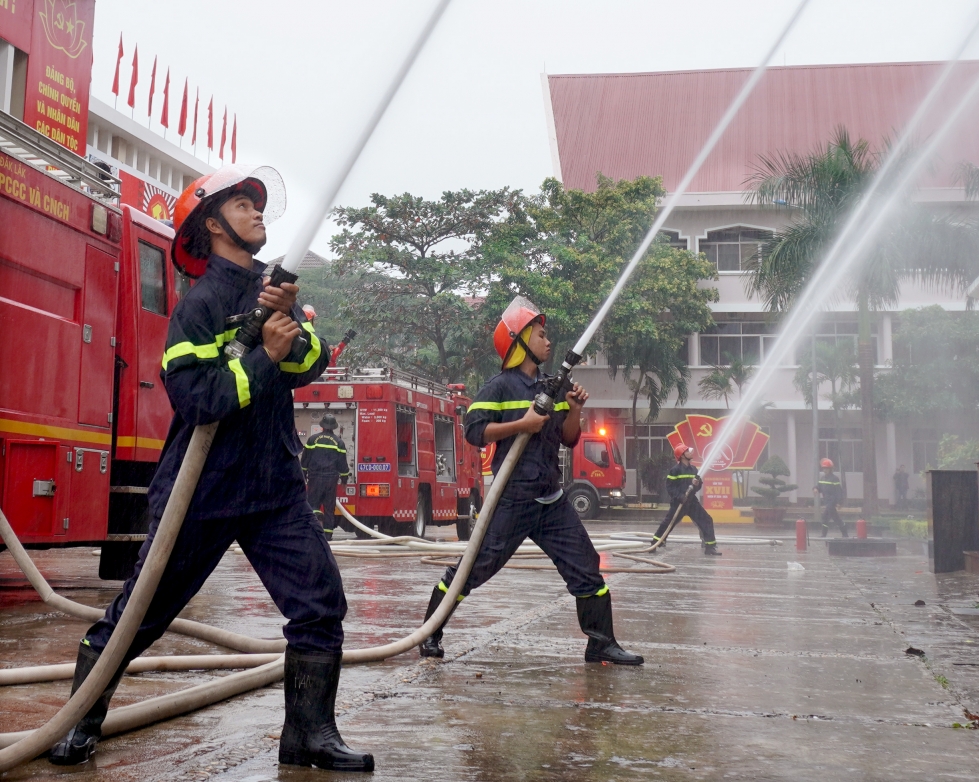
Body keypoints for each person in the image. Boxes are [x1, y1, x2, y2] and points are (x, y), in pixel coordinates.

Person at [48, 165, 373, 773]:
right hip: (201, 490)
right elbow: (199, 401)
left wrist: (290, 322)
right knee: (138, 617)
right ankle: (79, 722)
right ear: (212, 223)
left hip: (272, 487)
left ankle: (308, 736)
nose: (257, 213)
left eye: (257, 204)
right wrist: (264, 354)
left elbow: (308, 367)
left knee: (320, 603)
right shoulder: (197, 308)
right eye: (243, 205)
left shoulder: (274, 295)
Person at [417, 297, 643, 666]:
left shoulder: (554, 386)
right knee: (474, 568)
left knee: (586, 565)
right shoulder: (499, 387)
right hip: (513, 500)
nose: (548, 341)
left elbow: (569, 439)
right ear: (518, 340)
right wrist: (521, 424)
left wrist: (575, 409)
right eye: (541, 334)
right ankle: (429, 633)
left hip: (551, 500)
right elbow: (474, 431)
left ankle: (601, 643)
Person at [651, 444, 720, 555]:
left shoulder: (693, 469)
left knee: (706, 520)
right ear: (682, 456)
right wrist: (680, 496)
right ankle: (656, 542)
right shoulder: (675, 470)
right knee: (668, 523)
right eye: (687, 451)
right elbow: (670, 487)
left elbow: (699, 486)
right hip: (679, 503)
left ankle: (710, 547)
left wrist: (697, 484)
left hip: (692, 502)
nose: (690, 453)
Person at [302, 413, 352, 540]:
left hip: (315, 479)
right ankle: (328, 535)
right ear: (334, 427)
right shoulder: (339, 443)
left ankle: (312, 531)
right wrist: (344, 479)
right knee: (329, 508)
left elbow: (305, 460)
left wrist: (303, 474)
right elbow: (342, 464)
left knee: (313, 505)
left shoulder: (312, 440)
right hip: (331, 480)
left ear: (322, 426)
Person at [813, 458, 846, 538]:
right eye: (824, 468)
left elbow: (839, 491)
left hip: (832, 500)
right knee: (834, 518)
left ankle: (824, 534)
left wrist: (839, 502)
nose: (825, 470)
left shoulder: (834, 478)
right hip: (827, 501)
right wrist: (815, 488)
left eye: (827, 468)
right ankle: (845, 533)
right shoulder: (822, 478)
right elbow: (819, 486)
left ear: (831, 469)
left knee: (825, 516)